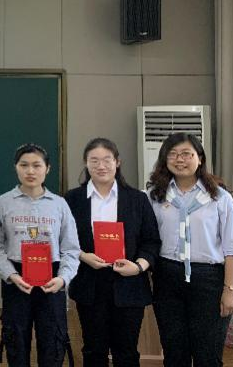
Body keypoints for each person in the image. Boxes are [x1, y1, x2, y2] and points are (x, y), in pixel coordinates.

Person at [65, 138, 160, 367]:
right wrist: (82, 255)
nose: (101, 166)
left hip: (129, 285)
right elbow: (62, 240)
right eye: (94, 160)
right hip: (89, 283)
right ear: (86, 163)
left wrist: (138, 267)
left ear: (117, 162)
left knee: (126, 352)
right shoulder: (72, 199)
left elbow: (151, 241)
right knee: (93, 351)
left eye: (107, 159)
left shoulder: (137, 199)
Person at [148, 132, 233, 366]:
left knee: (207, 353)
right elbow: (146, 237)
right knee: (174, 351)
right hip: (167, 276)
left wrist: (230, 289)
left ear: (200, 158)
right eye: (173, 154)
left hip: (208, 279)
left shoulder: (220, 198)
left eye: (186, 154)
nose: (180, 159)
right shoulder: (154, 196)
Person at [0, 143, 80, 367]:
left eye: (37, 165)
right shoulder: (2, 203)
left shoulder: (59, 204)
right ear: (16, 167)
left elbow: (71, 249)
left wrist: (63, 279)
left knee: (53, 343)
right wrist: (11, 275)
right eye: (24, 165)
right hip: (16, 279)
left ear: (47, 169)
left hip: (52, 280)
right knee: (16, 342)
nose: (30, 171)